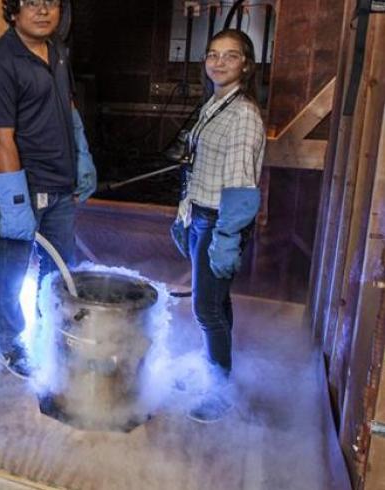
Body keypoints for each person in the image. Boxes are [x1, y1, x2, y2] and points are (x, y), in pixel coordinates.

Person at [0, 0, 96, 378]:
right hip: (19, 185)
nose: (43, 11)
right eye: (31, 2)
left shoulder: (56, 50)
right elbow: (1, 139)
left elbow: (67, 105)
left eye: (51, 2)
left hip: (59, 182)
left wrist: (81, 154)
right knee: (12, 265)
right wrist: (14, 203)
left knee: (59, 265)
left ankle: (54, 332)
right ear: (13, 10)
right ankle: (9, 343)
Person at [169, 29, 265, 423]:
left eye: (230, 55)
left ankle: (220, 389)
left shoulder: (242, 114)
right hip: (201, 215)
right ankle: (215, 371)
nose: (219, 62)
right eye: (213, 54)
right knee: (217, 303)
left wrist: (226, 237)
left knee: (205, 308)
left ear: (246, 63)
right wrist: (183, 213)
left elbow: (241, 184)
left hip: (219, 222)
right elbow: (197, 167)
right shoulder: (216, 103)